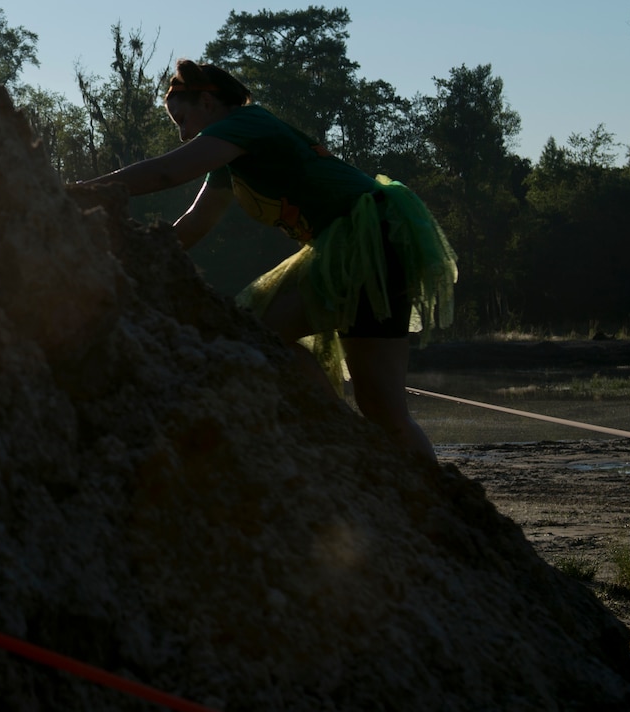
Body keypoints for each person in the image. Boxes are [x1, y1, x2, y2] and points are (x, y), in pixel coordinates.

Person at [73, 59, 456, 461]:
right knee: (363, 397)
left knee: (374, 403)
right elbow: (197, 222)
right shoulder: (229, 158)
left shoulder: (248, 123)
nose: (184, 134)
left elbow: (168, 173)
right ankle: (347, 437)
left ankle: (415, 486)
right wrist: (133, 259)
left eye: (182, 120)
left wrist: (83, 191)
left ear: (207, 101)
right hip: (357, 244)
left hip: (375, 236)